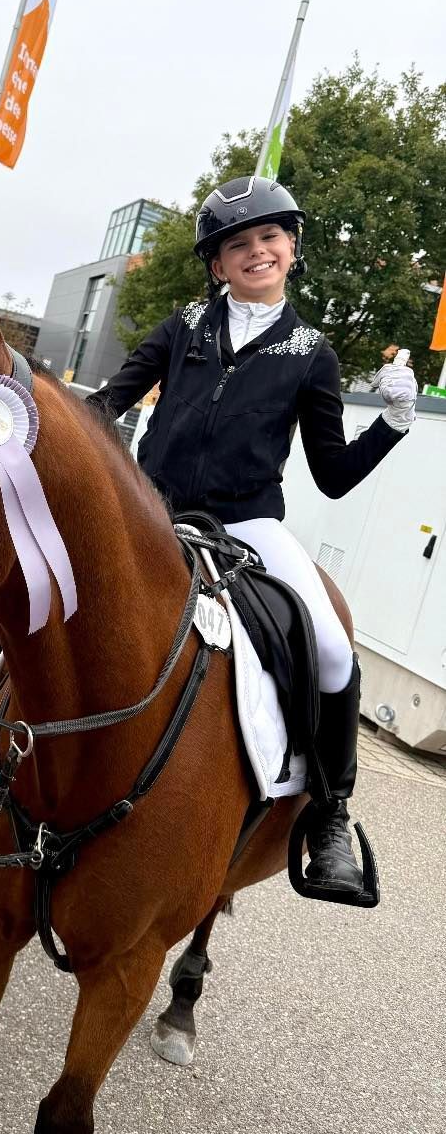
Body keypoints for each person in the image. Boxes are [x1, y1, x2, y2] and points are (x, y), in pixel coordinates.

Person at [88, 175, 418, 897]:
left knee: (331, 648)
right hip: (153, 511)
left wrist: (391, 425)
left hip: (247, 522)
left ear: (291, 247)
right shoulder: (182, 325)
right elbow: (107, 402)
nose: (256, 250)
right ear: (217, 264)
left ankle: (329, 815)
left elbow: (332, 475)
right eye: (237, 243)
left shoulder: (312, 352)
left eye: (269, 236)